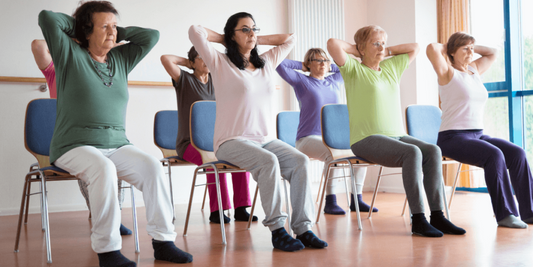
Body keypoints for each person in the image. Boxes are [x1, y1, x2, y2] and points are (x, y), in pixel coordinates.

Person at [38, 1, 192, 266]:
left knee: (153, 168)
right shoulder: (68, 54)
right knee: (104, 168)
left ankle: (163, 242)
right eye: (104, 27)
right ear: (86, 30)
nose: (113, 32)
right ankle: (108, 252)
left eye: (115, 26)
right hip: (73, 145)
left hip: (118, 143)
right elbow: (47, 18)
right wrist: (79, 27)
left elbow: (151, 36)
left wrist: (114, 31)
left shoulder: (121, 58)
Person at [189, 12, 327, 251]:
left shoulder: (266, 63)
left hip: (264, 139)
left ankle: (303, 229)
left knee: (300, 161)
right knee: (268, 161)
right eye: (244, 29)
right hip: (230, 142)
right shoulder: (220, 62)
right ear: (232, 34)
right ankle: (277, 230)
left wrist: (252, 38)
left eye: (254, 28)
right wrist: (226, 39)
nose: (252, 32)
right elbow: (195, 31)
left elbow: (290, 39)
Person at [327, 25, 466, 237]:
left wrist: (384, 50)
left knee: (433, 151)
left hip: (397, 135)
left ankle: (437, 216)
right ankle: (418, 219)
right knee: (412, 152)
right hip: (366, 139)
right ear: (361, 48)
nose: (381, 47)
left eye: (383, 42)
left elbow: (415, 48)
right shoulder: (353, 69)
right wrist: (359, 51)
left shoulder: (392, 67)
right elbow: (333, 44)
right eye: (376, 43)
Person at [427, 32, 533, 229]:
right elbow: (432, 48)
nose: (470, 52)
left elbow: (493, 52)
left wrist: (470, 46)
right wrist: (449, 46)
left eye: (472, 48)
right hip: (452, 137)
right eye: (465, 49)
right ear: (452, 52)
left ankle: (529, 212)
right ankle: (505, 214)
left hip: (478, 134)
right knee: (494, 155)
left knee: (518, 154)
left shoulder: (474, 70)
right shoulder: (447, 72)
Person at [31, 39, 132, 236]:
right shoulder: (56, 69)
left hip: (99, 136)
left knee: (115, 162)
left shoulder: (99, 69)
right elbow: (38, 45)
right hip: (68, 139)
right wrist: (77, 40)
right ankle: (102, 215)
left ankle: (113, 215)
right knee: (92, 162)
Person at [161, 47, 257, 224]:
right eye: (201, 58)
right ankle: (217, 210)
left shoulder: (217, 80)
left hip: (217, 142)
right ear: (193, 62)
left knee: (238, 158)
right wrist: (188, 62)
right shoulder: (184, 80)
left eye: (208, 57)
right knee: (213, 163)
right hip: (189, 144)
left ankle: (241, 208)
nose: (206, 60)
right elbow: (166, 58)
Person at [275, 49, 377, 215]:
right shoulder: (301, 81)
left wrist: (329, 65)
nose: (323, 63)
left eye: (325, 60)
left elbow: (349, 65)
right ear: (309, 63)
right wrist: (304, 65)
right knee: (332, 155)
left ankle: (356, 200)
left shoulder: (334, 81)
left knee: (362, 152)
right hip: (307, 139)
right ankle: (331, 202)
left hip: (333, 138)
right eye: (317, 60)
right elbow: (278, 63)